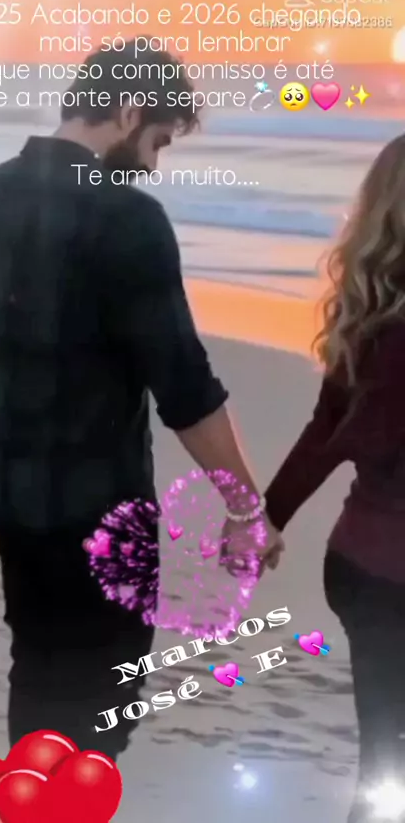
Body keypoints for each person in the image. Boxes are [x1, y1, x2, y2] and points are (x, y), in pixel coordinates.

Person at [0, 40, 281, 760]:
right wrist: (246, 509)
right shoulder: (127, 219)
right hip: (105, 518)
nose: (153, 164)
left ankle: (24, 801)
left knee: (36, 675)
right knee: (99, 710)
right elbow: (185, 389)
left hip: (14, 508)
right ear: (127, 113)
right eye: (157, 141)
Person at [264, 134, 405, 822]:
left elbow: (327, 426)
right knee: (389, 767)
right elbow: (354, 431)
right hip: (387, 581)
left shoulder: (374, 317)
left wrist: (267, 517)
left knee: (387, 759)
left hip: (363, 566)